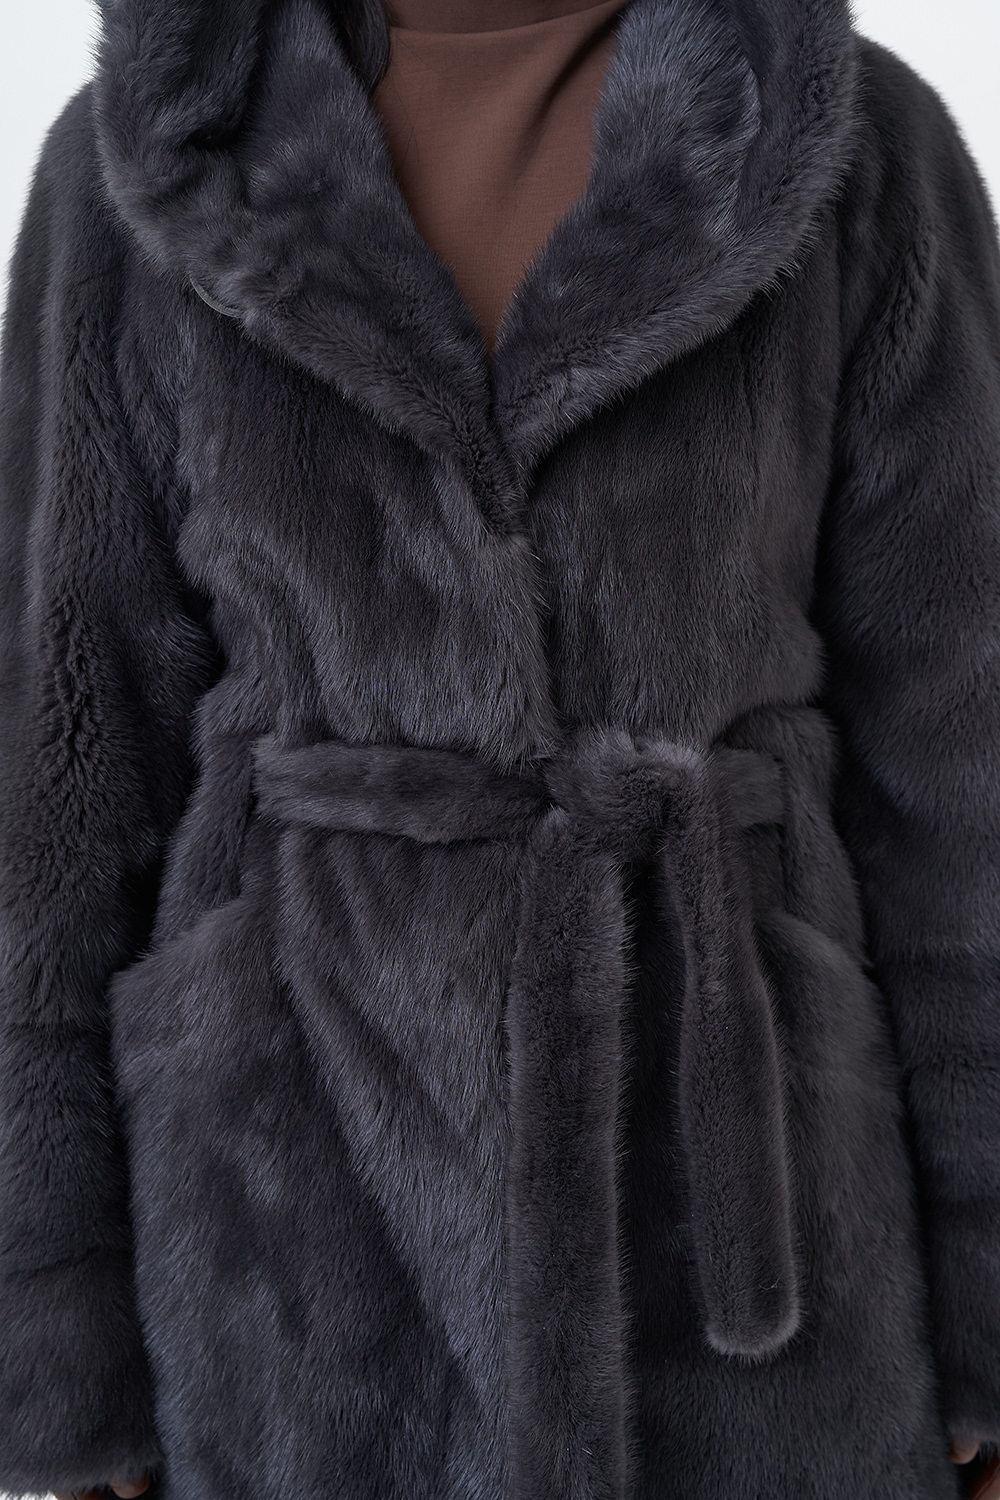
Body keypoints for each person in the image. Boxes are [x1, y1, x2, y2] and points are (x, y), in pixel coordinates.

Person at [2, 0, 1000, 1495]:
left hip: (754, 1218)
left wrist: (987, 1316)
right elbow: (63, 761)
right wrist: (55, 1343)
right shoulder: (153, 154)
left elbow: (962, 753)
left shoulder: (843, 140)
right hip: (287, 1239)